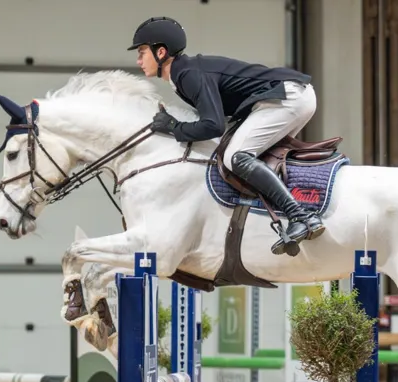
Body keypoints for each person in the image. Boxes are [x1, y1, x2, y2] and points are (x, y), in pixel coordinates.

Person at [127, 16, 325, 255]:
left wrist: (173, 127)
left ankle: (300, 215)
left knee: (237, 155)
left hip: (287, 97)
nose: (138, 60)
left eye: (142, 52)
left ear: (161, 52)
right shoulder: (184, 74)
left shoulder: (187, 74)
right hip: (290, 97)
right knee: (252, 160)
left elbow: (213, 126)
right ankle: (300, 216)